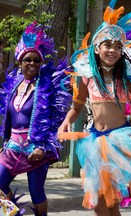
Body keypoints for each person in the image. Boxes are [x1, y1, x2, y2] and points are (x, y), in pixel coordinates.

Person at [57, 1, 131, 216]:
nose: (112, 50)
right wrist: (66, 122)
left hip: (124, 139)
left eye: (118, 46)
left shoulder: (126, 80)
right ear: (97, 48)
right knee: (102, 199)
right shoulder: (86, 77)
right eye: (107, 45)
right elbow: (77, 105)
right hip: (95, 142)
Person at [0, 21, 71, 216]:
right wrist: (5, 141)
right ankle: (13, 213)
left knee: (36, 192)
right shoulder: (13, 85)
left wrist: (43, 146)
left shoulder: (48, 87)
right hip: (13, 146)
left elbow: (56, 121)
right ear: (20, 62)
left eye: (36, 61)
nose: (32, 63)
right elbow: (9, 117)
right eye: (27, 60)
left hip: (36, 147)